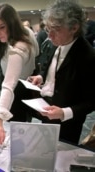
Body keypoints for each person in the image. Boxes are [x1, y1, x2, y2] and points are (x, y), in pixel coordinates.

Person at [28, 0, 95, 144]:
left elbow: (92, 101)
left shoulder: (88, 56)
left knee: (61, 162)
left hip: (68, 123)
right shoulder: (55, 44)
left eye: (56, 29)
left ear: (74, 28)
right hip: (46, 110)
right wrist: (41, 77)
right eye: (47, 28)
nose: (50, 35)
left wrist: (64, 113)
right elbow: (54, 70)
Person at [0, 3, 39, 144]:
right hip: (22, 86)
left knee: (16, 136)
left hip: (17, 90)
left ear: (12, 23)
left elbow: (9, 84)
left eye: (2, 27)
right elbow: (37, 53)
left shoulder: (18, 48)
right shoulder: (27, 32)